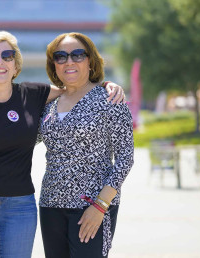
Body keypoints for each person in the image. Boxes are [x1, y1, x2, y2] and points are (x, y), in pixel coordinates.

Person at [0, 31, 125, 258]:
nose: (0, 62)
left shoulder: (34, 95)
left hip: (21, 207)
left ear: (16, 66)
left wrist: (106, 84)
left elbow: (75, 87)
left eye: (7, 56)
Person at [38, 32, 134, 258]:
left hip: (92, 206)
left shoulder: (110, 100)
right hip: (50, 205)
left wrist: (101, 206)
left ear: (90, 61)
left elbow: (125, 158)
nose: (69, 61)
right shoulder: (49, 104)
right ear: (54, 64)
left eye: (77, 55)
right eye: (60, 56)